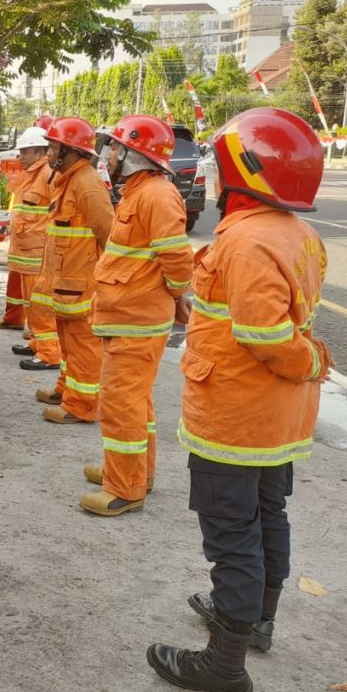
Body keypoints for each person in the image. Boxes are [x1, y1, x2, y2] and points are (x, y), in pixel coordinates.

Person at [148, 108, 331, 692]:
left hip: (237, 417)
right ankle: (257, 621)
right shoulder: (296, 233)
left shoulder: (248, 240)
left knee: (234, 533)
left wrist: (306, 362)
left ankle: (224, 664)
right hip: (275, 418)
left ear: (239, 171)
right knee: (266, 515)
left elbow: (266, 335)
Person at [80, 116, 193, 516]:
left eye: (113, 147)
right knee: (136, 402)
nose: (108, 154)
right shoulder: (140, 193)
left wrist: (176, 294)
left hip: (137, 321)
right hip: (129, 316)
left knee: (121, 403)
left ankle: (125, 488)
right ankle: (134, 472)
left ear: (132, 154)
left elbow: (177, 258)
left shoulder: (156, 195)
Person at [35, 117, 113, 425]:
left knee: (82, 345)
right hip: (66, 283)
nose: (49, 154)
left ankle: (81, 406)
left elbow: (109, 233)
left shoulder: (86, 183)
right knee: (68, 342)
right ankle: (67, 391)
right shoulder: (67, 181)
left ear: (70, 151)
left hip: (82, 285)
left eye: (53, 147)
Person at [5, 122, 60, 372]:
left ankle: (49, 354)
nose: (21, 156)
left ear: (40, 152)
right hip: (27, 254)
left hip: (38, 255)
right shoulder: (32, 176)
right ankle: (38, 343)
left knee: (41, 306)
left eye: (25, 152)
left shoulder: (48, 174)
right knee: (32, 304)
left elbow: (59, 210)